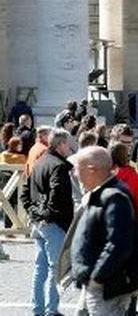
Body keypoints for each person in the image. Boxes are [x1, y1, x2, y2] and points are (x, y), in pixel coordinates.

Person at [64, 145, 138, 316]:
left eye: (77, 169)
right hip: (101, 283)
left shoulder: (114, 197)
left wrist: (97, 277)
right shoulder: (102, 193)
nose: (74, 174)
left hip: (107, 286)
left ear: (91, 170)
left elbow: (119, 244)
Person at [23, 128, 74, 316]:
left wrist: (33, 212)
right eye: (68, 144)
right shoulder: (58, 166)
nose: (70, 147)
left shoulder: (40, 161)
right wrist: (47, 214)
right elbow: (57, 193)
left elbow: (25, 192)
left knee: (40, 269)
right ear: (60, 145)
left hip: (38, 222)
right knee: (55, 269)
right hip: (53, 223)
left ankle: (38, 308)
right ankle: (51, 310)